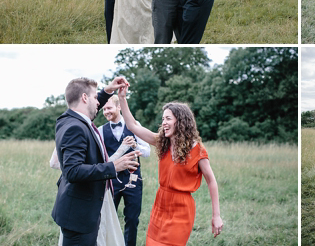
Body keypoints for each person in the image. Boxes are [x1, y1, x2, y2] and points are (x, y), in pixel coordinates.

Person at [117, 84, 224, 245]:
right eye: (163, 119)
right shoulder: (162, 143)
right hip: (160, 205)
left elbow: (211, 181)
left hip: (181, 210)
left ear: (180, 121)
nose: (164, 123)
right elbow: (132, 125)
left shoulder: (197, 150)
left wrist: (216, 215)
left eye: (168, 118)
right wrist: (122, 98)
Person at [51, 77, 140, 246]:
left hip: (81, 210)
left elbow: (93, 105)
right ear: (84, 98)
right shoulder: (75, 127)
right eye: (94, 98)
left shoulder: (70, 119)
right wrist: (113, 166)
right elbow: (72, 171)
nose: (98, 103)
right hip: (79, 216)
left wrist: (107, 91)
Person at [99, 95, 151, 246]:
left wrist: (134, 145)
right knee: (108, 219)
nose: (106, 112)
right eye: (104, 109)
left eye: (109, 108)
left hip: (133, 180)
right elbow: (103, 159)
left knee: (132, 219)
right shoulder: (101, 130)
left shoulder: (134, 125)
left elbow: (147, 152)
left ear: (119, 107)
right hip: (111, 181)